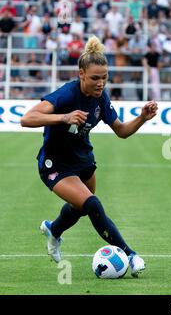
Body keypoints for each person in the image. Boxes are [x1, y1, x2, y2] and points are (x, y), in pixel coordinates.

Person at [21, 36, 158, 278]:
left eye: (104, 77)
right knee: (92, 203)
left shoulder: (101, 98)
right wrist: (63, 117)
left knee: (82, 206)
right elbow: (27, 118)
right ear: (81, 74)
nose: (101, 83)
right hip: (56, 164)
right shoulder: (66, 95)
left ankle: (54, 229)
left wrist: (141, 119)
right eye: (95, 78)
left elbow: (121, 131)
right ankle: (130, 254)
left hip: (83, 160)